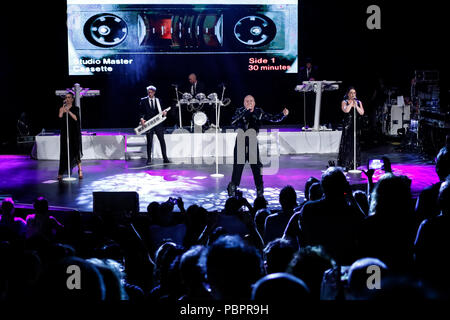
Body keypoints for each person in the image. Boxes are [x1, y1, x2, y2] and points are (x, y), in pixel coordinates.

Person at [227, 95, 289, 197]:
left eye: (251, 101)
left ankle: (260, 190)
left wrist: (282, 114)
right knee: (238, 167)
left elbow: (272, 118)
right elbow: (233, 122)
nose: (249, 103)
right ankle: (232, 190)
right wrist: (245, 112)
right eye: (247, 101)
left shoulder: (259, 111)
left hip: (252, 141)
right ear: (244, 103)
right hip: (241, 141)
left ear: (254, 103)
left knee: (256, 167)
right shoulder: (239, 111)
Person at [139, 85, 170, 165]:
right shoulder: (143, 100)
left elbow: (162, 110)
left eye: (151, 92)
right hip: (149, 123)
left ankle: (165, 158)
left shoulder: (158, 100)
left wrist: (164, 112)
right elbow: (141, 112)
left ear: (154, 92)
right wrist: (142, 119)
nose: (149, 93)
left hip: (158, 123)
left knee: (162, 140)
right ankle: (149, 159)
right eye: (148, 92)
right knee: (149, 141)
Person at [337, 86, 365, 171]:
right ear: (348, 94)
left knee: (355, 143)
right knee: (348, 144)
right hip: (348, 125)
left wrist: (356, 105)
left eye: (354, 93)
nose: (353, 94)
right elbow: (346, 110)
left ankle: (354, 162)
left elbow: (362, 112)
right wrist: (351, 104)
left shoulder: (358, 102)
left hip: (356, 125)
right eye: (351, 93)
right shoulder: (344, 102)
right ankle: (346, 163)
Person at [57, 92, 83, 180]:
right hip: (65, 133)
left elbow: (76, 118)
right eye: (66, 97)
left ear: (72, 99)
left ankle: (80, 170)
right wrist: (62, 110)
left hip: (73, 132)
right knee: (64, 152)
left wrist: (69, 111)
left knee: (75, 151)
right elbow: (60, 118)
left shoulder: (76, 108)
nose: (67, 99)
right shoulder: (62, 108)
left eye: (69, 97)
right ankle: (61, 172)